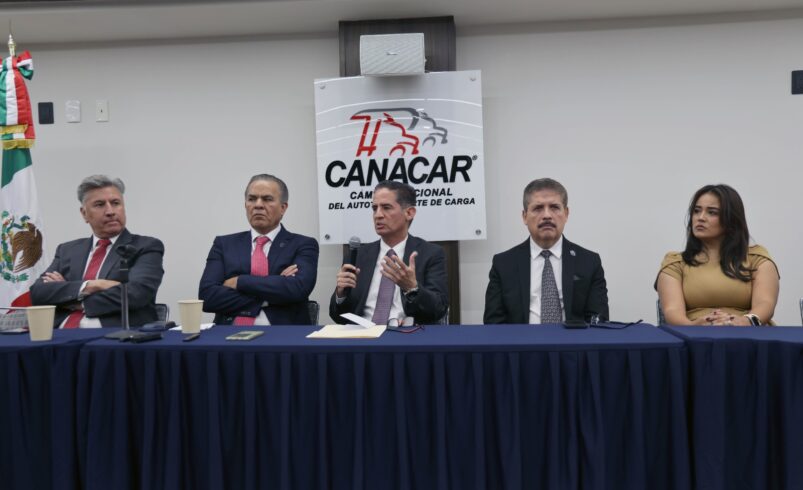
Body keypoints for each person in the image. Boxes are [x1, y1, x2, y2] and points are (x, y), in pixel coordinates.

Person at [30, 175, 164, 328]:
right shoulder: (67, 250)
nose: (110, 211)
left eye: (115, 203)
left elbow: (136, 294)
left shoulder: (145, 246)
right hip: (59, 333)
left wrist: (73, 299)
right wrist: (93, 285)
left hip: (114, 334)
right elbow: (38, 293)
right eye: (100, 205)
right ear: (84, 213)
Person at [484, 178, 609, 324]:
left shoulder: (589, 262)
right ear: (524, 216)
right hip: (522, 339)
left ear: (566, 214)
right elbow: (493, 325)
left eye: (555, 207)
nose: (547, 215)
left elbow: (598, 321)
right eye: (538, 208)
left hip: (573, 339)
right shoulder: (503, 264)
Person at [199, 174, 318, 325]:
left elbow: (298, 289)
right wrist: (275, 287)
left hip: (283, 333)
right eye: (252, 199)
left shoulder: (303, 244)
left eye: (267, 199)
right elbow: (207, 297)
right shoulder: (224, 244)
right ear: (245, 205)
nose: (258, 205)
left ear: (283, 208)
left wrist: (239, 281)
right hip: (229, 332)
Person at [655, 184, 779, 326]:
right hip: (694, 334)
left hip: (749, 333)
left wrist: (743, 322)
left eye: (712, 212)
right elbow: (672, 312)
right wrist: (695, 326)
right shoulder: (675, 263)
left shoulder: (757, 258)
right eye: (696, 211)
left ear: (731, 219)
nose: (700, 218)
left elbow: (765, 304)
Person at [329, 180, 448, 325]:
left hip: (406, 334)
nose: (378, 215)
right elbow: (338, 317)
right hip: (363, 334)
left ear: (409, 213)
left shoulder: (430, 254)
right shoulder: (358, 255)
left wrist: (412, 288)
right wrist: (341, 294)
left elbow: (438, 309)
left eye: (386, 207)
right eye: (374, 208)